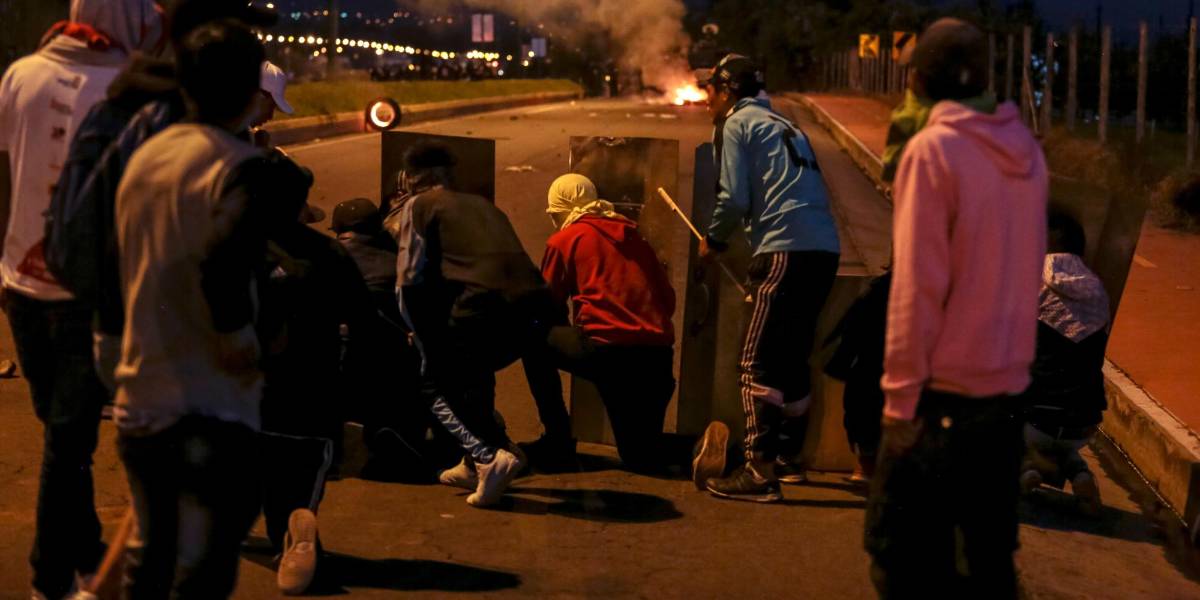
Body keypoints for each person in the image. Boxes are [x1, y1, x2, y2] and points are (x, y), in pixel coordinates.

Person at [863, 18, 1047, 598]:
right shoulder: (1028, 153)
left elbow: (917, 290)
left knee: (903, 563)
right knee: (988, 566)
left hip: (939, 400)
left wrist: (897, 406)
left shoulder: (933, 152)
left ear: (916, 80)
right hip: (1006, 399)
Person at [0, 1, 162, 597]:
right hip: (84, 294)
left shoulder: (20, 74)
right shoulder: (127, 95)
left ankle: (86, 547)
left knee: (60, 435)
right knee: (67, 444)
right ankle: (49, 576)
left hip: (18, 285)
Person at [113, 21, 273, 598]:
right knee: (202, 575)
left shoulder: (143, 158)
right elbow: (223, 257)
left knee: (151, 560)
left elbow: (110, 265)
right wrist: (237, 336)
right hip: (212, 406)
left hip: (141, 398)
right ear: (252, 91)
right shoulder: (241, 166)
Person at [46, 0, 278, 389]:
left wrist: (110, 315)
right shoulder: (220, 142)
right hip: (193, 351)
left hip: (119, 337)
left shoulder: (113, 108)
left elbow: (74, 236)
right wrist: (236, 331)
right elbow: (228, 261)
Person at [693, 54, 842, 502]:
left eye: (710, 91)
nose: (706, 101)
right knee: (791, 356)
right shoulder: (785, 125)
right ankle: (789, 459)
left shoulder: (737, 125)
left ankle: (758, 471)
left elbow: (733, 197)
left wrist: (714, 240)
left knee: (754, 361)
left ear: (727, 92)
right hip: (823, 251)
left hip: (783, 250)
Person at [388, 143, 549, 507]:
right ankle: (472, 460)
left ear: (416, 180)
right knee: (473, 375)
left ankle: (488, 456)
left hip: (482, 305)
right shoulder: (482, 204)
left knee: (431, 381)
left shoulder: (419, 206)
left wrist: (419, 333)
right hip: (532, 309)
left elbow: (408, 279)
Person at [520, 173, 677, 473]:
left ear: (562, 209)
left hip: (607, 353)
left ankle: (558, 440)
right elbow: (667, 301)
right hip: (657, 360)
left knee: (532, 340)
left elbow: (545, 305)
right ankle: (702, 446)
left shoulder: (564, 240)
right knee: (642, 455)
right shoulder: (636, 236)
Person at [1020, 212, 1110, 517]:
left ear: (1055, 236)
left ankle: (1022, 468)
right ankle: (1080, 474)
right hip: (1083, 424)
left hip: (1035, 420)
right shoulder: (1098, 290)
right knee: (1061, 440)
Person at [824, 271, 892, 485]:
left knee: (865, 390)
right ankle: (870, 461)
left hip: (872, 371)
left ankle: (867, 461)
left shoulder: (880, 289)